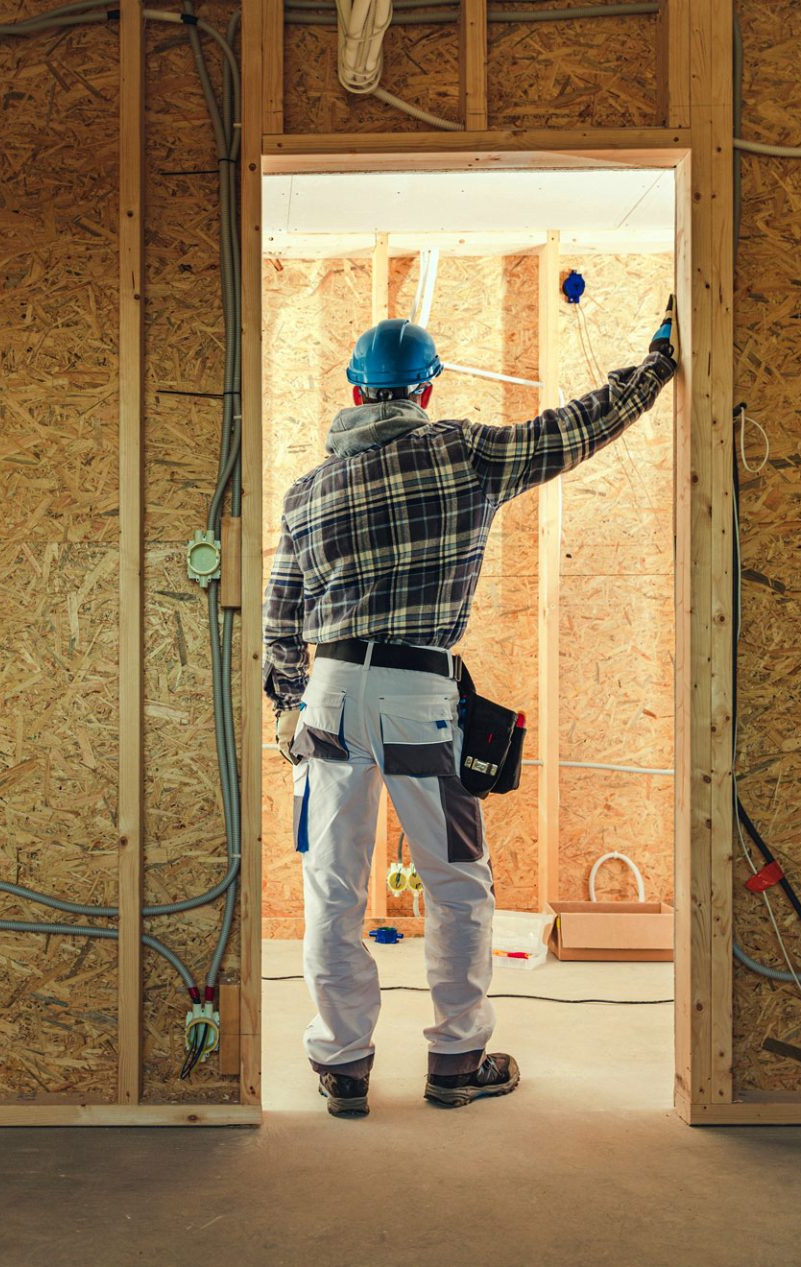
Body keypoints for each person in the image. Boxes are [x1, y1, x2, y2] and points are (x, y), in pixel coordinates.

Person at [264, 306, 678, 1118]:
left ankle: (343, 1066)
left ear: (354, 388)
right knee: (455, 883)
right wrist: (656, 362)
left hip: (333, 700)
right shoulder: (463, 452)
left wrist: (286, 704)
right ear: (424, 392)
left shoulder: (307, 490)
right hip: (422, 700)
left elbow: (281, 618)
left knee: (333, 887)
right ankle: (455, 1060)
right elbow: (574, 428)